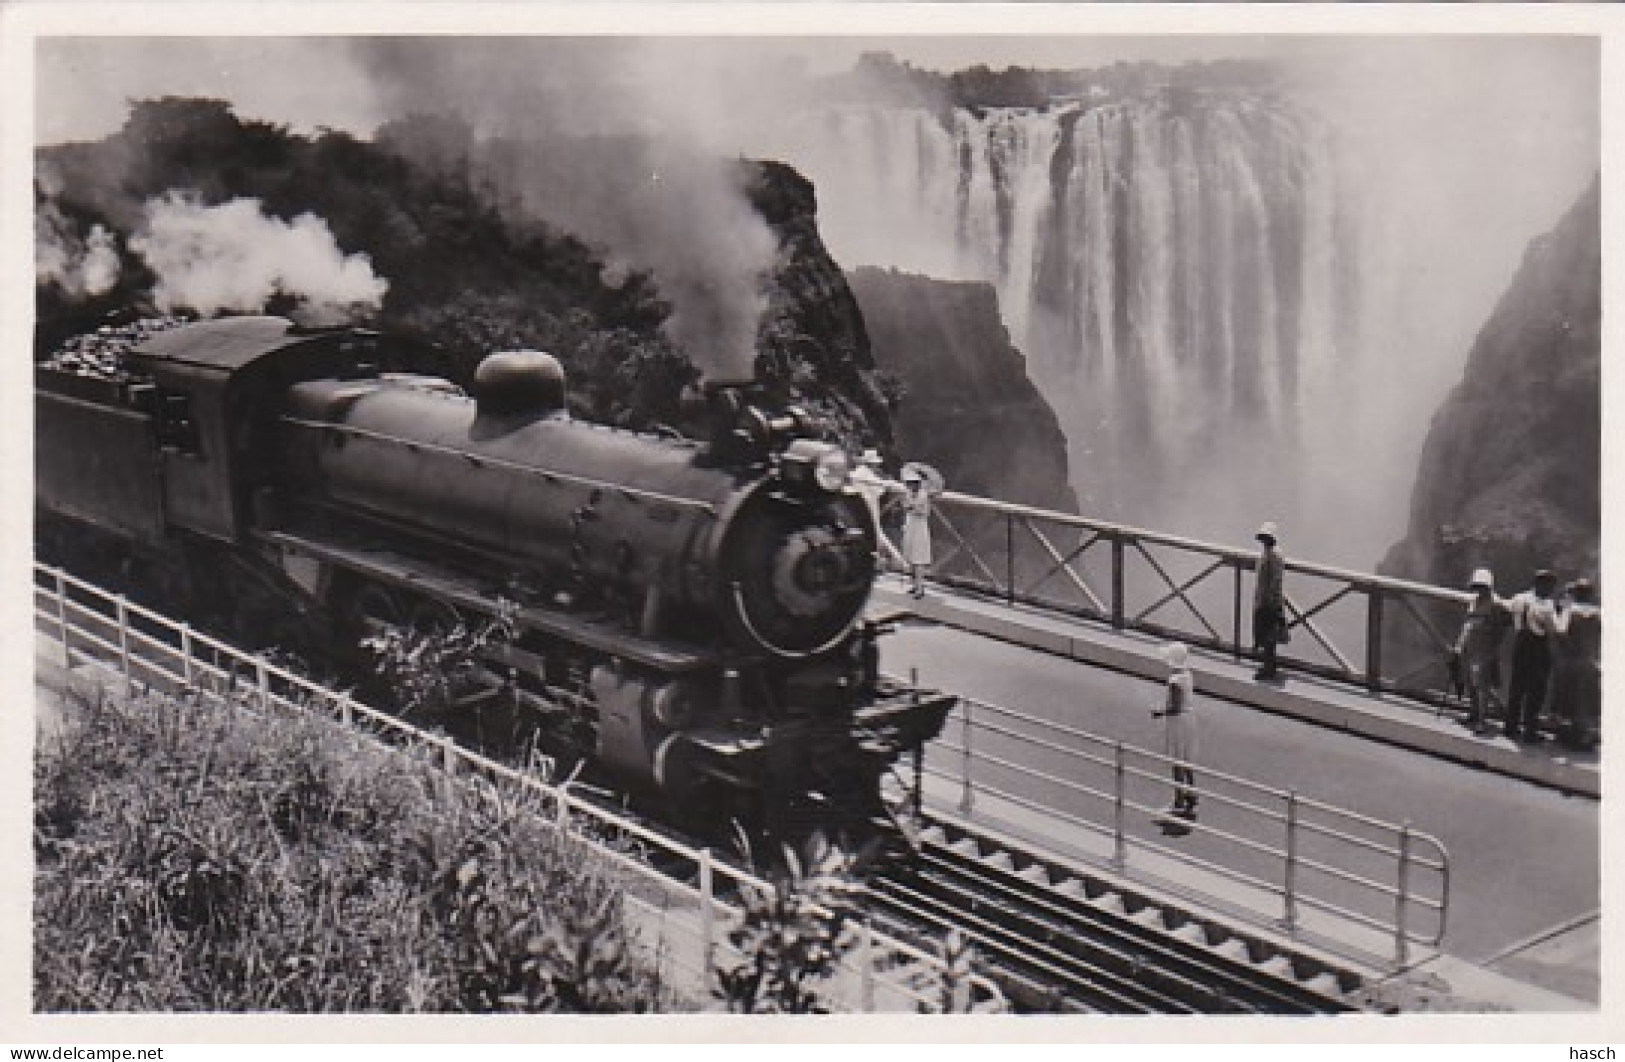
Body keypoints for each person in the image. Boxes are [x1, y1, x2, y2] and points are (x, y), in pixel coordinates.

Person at [1504, 569, 1560, 742]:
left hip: (1520, 644)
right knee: (1536, 692)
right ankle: (1530, 731)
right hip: (1538, 648)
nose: (1552, 589)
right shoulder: (1547, 605)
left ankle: (1510, 726)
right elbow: (1554, 630)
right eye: (1551, 585)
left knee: (1516, 687)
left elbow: (1506, 610)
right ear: (1545, 585)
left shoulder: (1519, 598)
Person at [1454, 568, 1509, 736]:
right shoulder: (1474, 601)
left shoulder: (1496, 604)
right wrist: (1459, 645)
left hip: (1485, 649)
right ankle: (1473, 714)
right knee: (1470, 682)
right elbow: (1467, 624)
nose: (1479, 589)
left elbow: (1502, 629)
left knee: (1482, 687)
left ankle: (1482, 721)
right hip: (1469, 647)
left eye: (1482, 586)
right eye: (1477, 586)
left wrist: (1494, 650)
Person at [1551, 578, 1601, 751]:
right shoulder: (1599, 613)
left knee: (1568, 697)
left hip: (1571, 661)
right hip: (1590, 661)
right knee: (1587, 698)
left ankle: (1570, 735)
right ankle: (1586, 736)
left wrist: (1570, 647)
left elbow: (1560, 631)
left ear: (1577, 593)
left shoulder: (1569, 611)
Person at [1151, 641, 1199, 820]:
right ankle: (1192, 793)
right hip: (1189, 718)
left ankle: (1178, 800)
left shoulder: (1174, 681)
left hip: (1178, 722)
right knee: (1187, 758)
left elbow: (1174, 706)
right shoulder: (1187, 675)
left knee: (1177, 761)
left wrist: (1158, 711)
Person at [850, 448, 906, 570]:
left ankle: (888, 560)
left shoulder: (860, 473)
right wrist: (899, 487)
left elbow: (882, 485)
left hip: (862, 506)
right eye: (875, 464)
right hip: (867, 506)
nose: (876, 467)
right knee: (875, 532)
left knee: (874, 533)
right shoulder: (864, 474)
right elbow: (884, 485)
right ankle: (899, 562)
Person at [1252, 522, 1286, 681]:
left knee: (1269, 636)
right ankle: (1267, 665)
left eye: (1266, 537)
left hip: (1270, 601)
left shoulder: (1275, 555)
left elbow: (1276, 579)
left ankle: (1269, 668)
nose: (1264, 540)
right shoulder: (1265, 553)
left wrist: (1271, 601)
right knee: (1264, 635)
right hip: (1262, 598)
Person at [900, 470, 933, 598]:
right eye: (909, 483)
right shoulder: (908, 493)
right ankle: (914, 585)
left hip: (919, 526)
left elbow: (923, 511)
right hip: (910, 524)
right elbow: (906, 506)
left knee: (919, 557)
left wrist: (912, 506)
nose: (911, 485)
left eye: (913, 483)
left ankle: (920, 588)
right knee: (911, 557)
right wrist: (908, 505)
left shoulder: (923, 495)